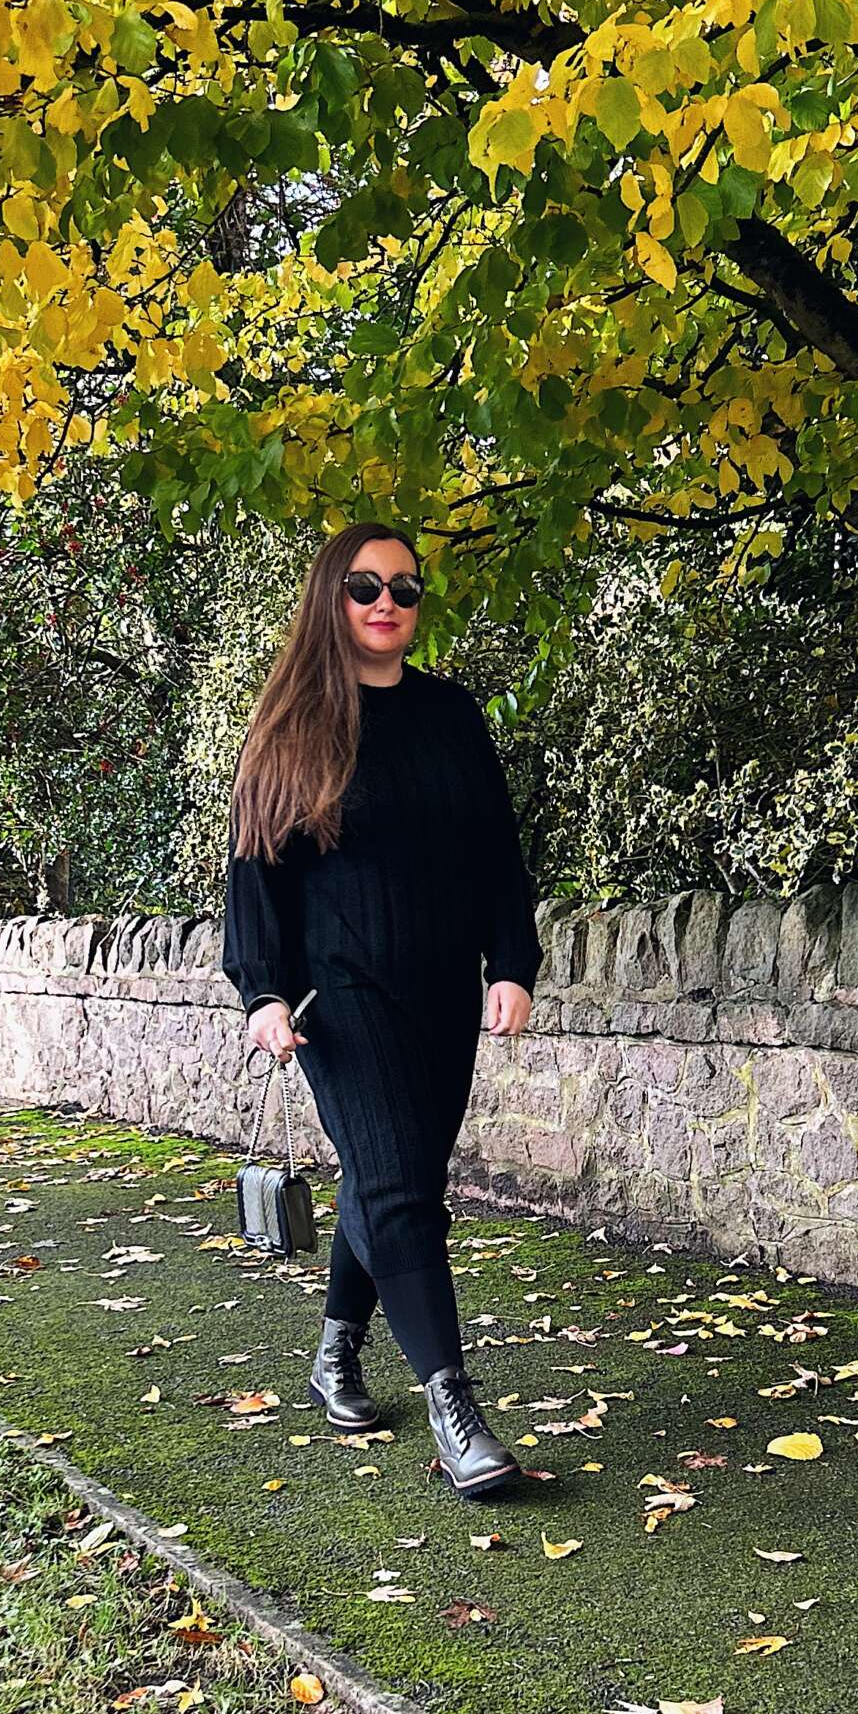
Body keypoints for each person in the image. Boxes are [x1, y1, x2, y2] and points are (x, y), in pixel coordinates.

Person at [220, 525, 543, 1500]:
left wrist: (511, 961)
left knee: (386, 1179)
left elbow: (496, 849)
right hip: (337, 995)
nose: (385, 600)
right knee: (401, 1192)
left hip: (441, 988)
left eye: (404, 586)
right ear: (333, 596)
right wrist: (262, 994)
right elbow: (255, 871)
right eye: (364, 585)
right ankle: (455, 1410)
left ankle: (333, 1356)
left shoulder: (450, 715)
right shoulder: (293, 725)